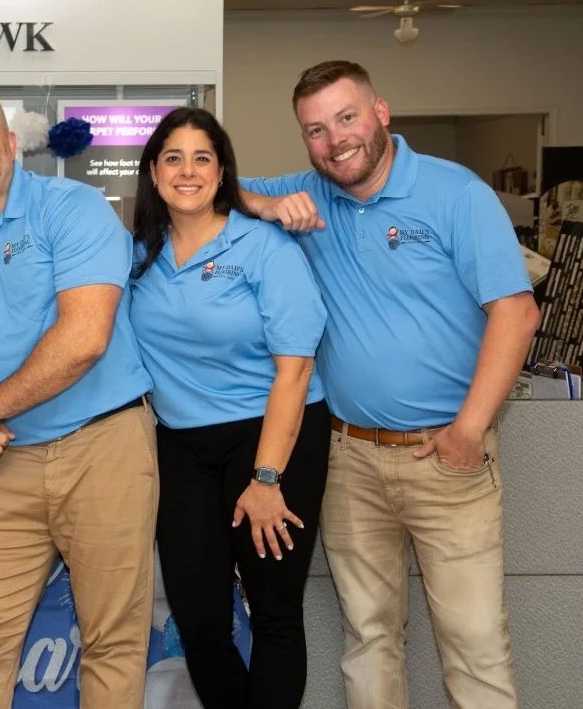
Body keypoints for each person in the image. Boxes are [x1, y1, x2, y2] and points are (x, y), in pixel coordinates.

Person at [240, 60, 540, 709]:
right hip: (350, 459)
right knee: (369, 639)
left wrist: (469, 429)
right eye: (315, 130)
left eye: (346, 118)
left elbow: (517, 313)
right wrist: (265, 203)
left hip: (448, 459)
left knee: (475, 647)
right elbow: (208, 187)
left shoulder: (455, 193)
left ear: (380, 113)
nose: (335, 140)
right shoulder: (309, 195)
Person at [0, 86, 158, 709]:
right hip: (2, 462)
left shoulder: (72, 207)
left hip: (103, 447)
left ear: (12, 144)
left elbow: (85, 338)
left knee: (113, 642)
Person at [129, 107, 329, 709]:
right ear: (153, 172)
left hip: (272, 436)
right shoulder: (139, 253)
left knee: (273, 612)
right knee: (197, 620)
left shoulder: (265, 246)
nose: (187, 171)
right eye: (173, 158)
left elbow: (296, 368)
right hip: (182, 444)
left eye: (203, 158)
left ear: (222, 172)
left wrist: (266, 478)